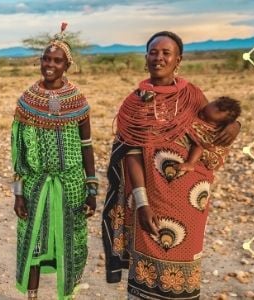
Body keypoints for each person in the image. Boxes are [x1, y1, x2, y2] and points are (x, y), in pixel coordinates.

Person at [101, 31, 241, 299]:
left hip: (190, 200)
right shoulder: (134, 104)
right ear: (146, 58)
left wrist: (235, 125)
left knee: (185, 268)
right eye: (154, 52)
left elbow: (214, 122)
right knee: (147, 273)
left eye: (166, 53)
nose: (159, 57)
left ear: (178, 60)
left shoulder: (192, 95)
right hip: (151, 198)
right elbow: (131, 155)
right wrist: (141, 202)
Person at [11, 22, 97, 300]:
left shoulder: (78, 102)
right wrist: (18, 194)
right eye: (46, 59)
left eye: (56, 60)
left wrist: (92, 189)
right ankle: (32, 297)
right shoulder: (27, 102)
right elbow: (19, 154)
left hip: (71, 183)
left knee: (70, 242)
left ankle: (66, 295)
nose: (50, 64)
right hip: (36, 183)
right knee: (33, 239)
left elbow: (87, 147)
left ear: (66, 65)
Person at [173, 96, 242, 175]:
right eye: (202, 112)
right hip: (206, 146)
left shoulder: (214, 130)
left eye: (204, 117)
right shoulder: (202, 110)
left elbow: (203, 143)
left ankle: (190, 164)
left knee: (198, 143)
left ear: (220, 123)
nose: (200, 116)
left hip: (213, 154)